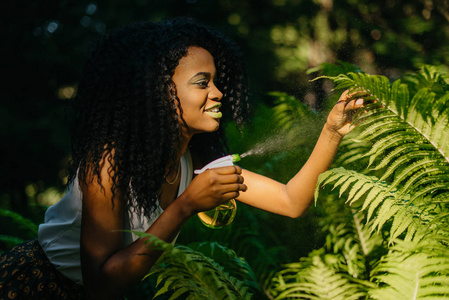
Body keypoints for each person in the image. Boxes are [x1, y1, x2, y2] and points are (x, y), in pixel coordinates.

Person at [0, 17, 365, 299]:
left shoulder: (193, 164)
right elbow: (101, 285)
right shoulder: (109, 161)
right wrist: (186, 205)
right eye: (202, 82)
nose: (219, 92)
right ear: (159, 93)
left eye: (217, 81)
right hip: (33, 286)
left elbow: (290, 201)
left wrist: (331, 131)